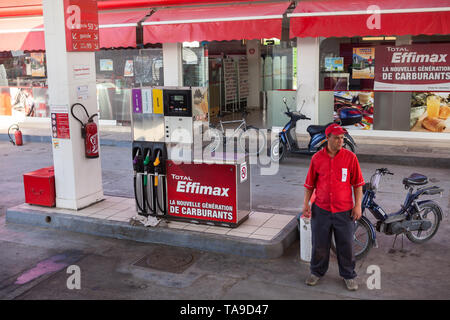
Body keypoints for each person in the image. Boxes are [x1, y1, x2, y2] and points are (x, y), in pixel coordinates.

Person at [302, 123, 365, 291]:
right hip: (321, 209)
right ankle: (316, 272)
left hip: (344, 211)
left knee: (346, 245)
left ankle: (349, 275)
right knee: (319, 244)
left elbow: (358, 184)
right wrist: (306, 204)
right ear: (327, 138)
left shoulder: (350, 158)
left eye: (342, 138)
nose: (340, 141)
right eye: (337, 138)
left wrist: (358, 205)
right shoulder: (317, 159)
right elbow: (309, 185)